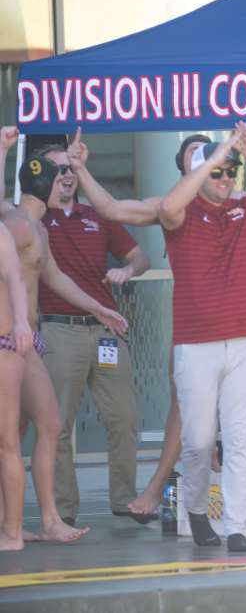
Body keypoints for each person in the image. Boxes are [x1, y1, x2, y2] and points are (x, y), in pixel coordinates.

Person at [65, 129, 246, 519]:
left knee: (234, 433)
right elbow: (110, 208)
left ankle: (227, 520)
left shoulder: (242, 202)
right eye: (204, 160)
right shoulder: (172, 208)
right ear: (188, 169)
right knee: (193, 427)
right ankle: (181, 498)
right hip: (195, 333)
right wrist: (80, 169)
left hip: (240, 334)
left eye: (225, 163)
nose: (219, 168)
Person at [158, 121, 246, 551]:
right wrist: (210, 162)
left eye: (230, 171)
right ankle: (198, 510)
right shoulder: (182, 212)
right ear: (200, 176)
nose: (226, 179)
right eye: (218, 172)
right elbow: (167, 208)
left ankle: (236, 525)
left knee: (240, 436)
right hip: (196, 343)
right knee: (199, 441)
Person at [0, 149, 129, 544]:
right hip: (9, 338)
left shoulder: (40, 230)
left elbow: (53, 277)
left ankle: (51, 520)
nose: (69, 182)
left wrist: (100, 308)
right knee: (8, 438)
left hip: (29, 342)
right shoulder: (15, 224)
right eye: (63, 175)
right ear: (44, 181)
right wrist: (3, 153)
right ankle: (13, 530)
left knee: (51, 425)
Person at [24, 132, 152, 527]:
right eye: (57, 169)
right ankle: (62, 510)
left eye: (71, 168)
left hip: (106, 330)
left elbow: (141, 256)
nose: (66, 176)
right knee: (56, 425)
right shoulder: (31, 219)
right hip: (60, 331)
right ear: (43, 176)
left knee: (124, 418)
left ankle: (124, 499)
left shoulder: (98, 214)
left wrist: (126, 270)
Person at [0, 127, 33, 551]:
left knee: (7, 441)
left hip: (5, 342)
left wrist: (23, 324)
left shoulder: (4, 233)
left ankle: (13, 532)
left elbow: (16, 280)